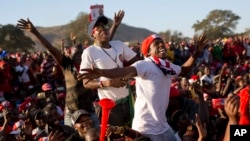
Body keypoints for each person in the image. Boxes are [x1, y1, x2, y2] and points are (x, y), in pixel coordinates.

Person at [78, 33, 208, 141]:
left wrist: (196, 53)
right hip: (146, 128)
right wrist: (101, 72)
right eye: (156, 44)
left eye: (161, 42)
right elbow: (122, 71)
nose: (161, 45)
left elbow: (183, 70)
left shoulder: (167, 67)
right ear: (148, 52)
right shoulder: (144, 65)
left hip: (162, 126)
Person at [17, 10, 125, 129]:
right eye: (75, 51)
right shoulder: (67, 64)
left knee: (97, 135)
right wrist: (35, 32)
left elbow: (103, 43)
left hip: (88, 110)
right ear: (70, 54)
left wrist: (114, 25)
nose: (78, 53)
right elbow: (50, 47)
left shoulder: (90, 61)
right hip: (71, 111)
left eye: (80, 51)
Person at [79, 13, 138, 130]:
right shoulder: (90, 52)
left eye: (105, 27)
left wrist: (127, 76)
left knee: (134, 132)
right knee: (116, 135)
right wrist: (108, 83)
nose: (103, 29)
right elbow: (85, 82)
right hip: (110, 106)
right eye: (98, 28)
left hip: (128, 100)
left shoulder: (119, 45)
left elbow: (137, 64)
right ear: (93, 34)